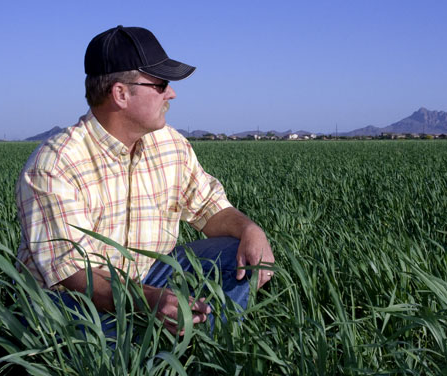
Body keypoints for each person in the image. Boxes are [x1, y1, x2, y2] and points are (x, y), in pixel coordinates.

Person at [15, 25, 275, 335]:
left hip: (149, 275)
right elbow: (72, 274)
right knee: (114, 356)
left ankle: (214, 345)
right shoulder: (55, 165)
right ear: (121, 94)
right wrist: (146, 299)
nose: (172, 93)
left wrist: (250, 229)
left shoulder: (170, 144)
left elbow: (211, 208)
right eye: (161, 84)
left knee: (239, 251)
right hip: (71, 300)